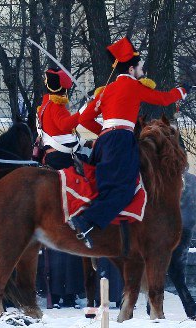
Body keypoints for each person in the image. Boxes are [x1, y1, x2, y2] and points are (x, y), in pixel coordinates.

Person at [71, 37, 188, 247]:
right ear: (132, 69)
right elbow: (163, 99)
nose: (143, 69)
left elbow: (83, 119)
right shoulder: (133, 86)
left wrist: (105, 132)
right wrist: (182, 91)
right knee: (124, 189)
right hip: (120, 142)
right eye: (141, 66)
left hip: (104, 142)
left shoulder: (106, 90)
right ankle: (86, 221)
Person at [36, 67, 90, 308]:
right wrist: (85, 111)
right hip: (60, 160)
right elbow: (66, 124)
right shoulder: (56, 108)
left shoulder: (45, 105)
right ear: (63, 90)